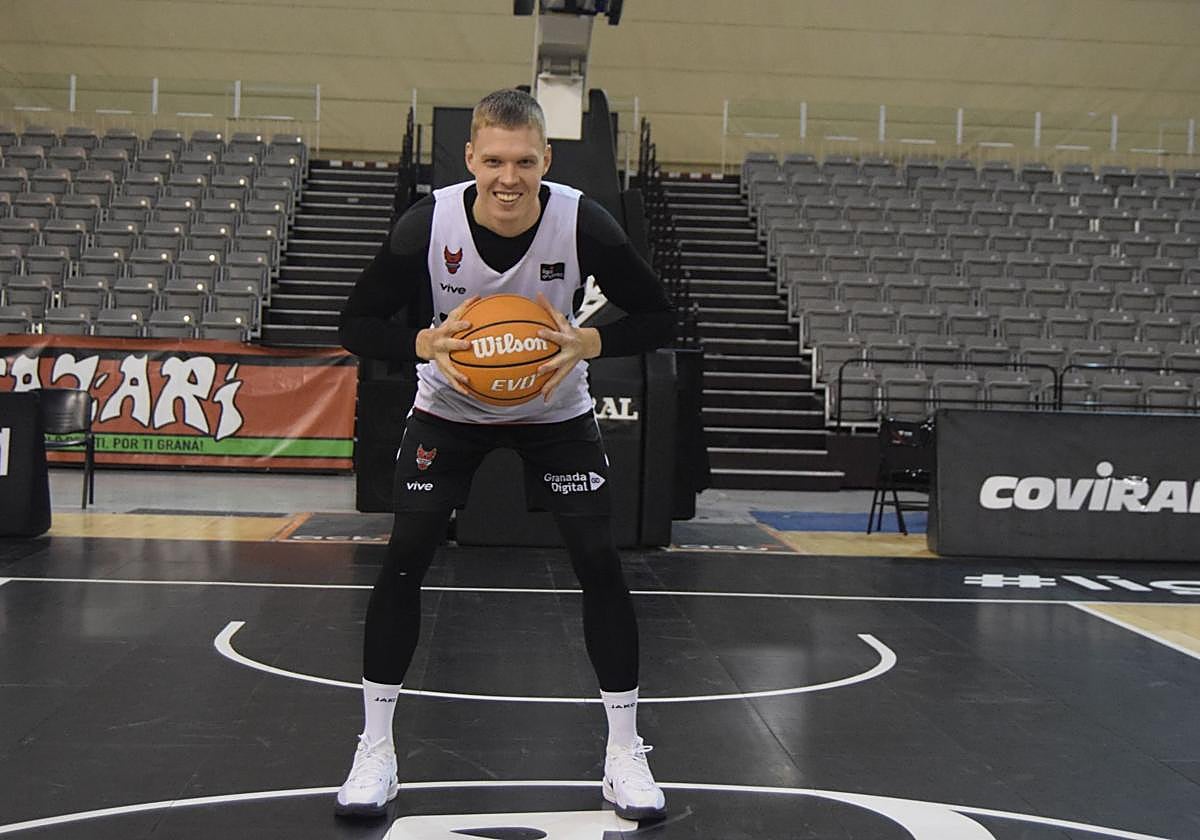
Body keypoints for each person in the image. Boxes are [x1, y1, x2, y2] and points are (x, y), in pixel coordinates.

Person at [336, 88, 675, 821]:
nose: (509, 177)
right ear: (470, 159)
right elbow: (355, 321)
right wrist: (420, 343)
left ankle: (624, 755)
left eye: (524, 161)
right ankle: (376, 749)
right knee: (405, 556)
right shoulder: (428, 224)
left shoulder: (582, 219)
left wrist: (592, 340)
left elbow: (659, 314)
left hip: (554, 408)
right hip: (451, 406)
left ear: (546, 159)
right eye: (494, 160)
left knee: (600, 563)